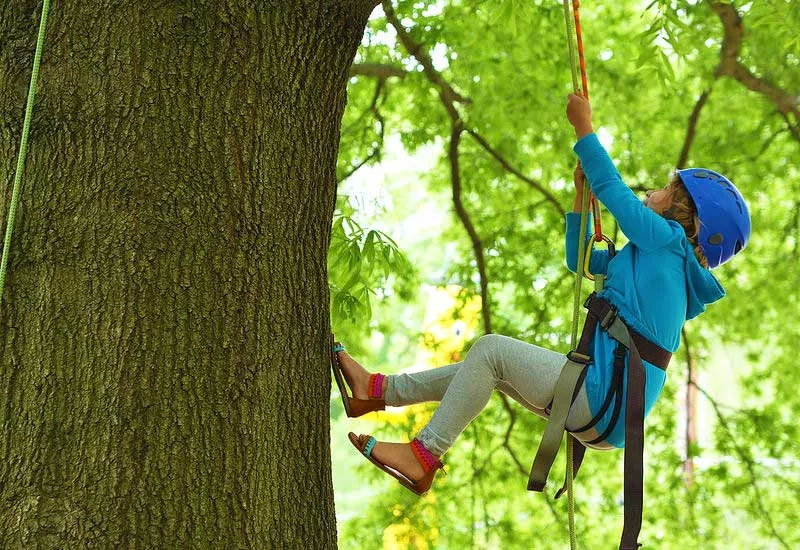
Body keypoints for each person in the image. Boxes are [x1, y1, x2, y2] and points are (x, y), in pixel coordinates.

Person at [331, 92, 751, 495]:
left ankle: (423, 455)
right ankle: (378, 390)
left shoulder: (668, 244)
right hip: (606, 410)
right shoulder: (656, 263)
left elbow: (619, 197)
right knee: (488, 367)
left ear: (686, 216)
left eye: (665, 190)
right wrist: (579, 198)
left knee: (491, 350)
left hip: (601, 397)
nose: (652, 193)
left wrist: (584, 130)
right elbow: (584, 261)